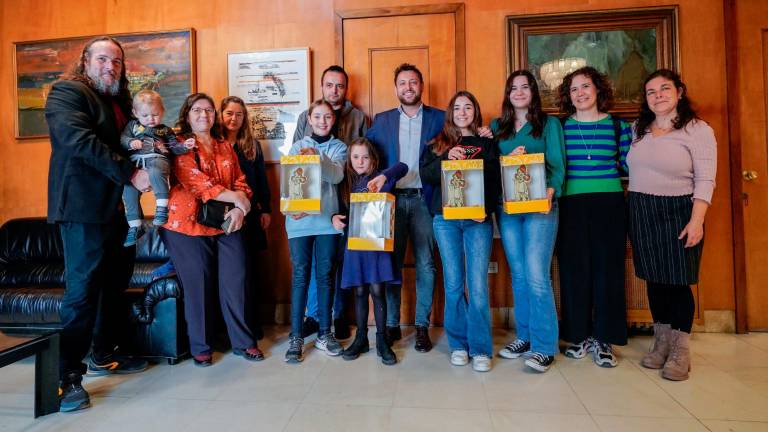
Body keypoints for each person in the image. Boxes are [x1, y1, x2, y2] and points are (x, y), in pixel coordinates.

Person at [45, 36, 149, 413]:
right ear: (86, 61)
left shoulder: (120, 103)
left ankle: (102, 354)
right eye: (103, 59)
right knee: (82, 291)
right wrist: (130, 173)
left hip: (118, 212)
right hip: (82, 210)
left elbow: (133, 142)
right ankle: (66, 378)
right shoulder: (66, 93)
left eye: (117, 61)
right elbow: (79, 142)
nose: (111, 66)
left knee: (113, 285)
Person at [160, 93, 263, 367]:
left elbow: (242, 182)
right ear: (187, 114)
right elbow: (195, 182)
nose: (203, 115)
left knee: (236, 279)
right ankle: (201, 347)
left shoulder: (224, 146)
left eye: (208, 110)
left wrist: (242, 208)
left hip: (226, 222)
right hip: (186, 225)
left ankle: (243, 342)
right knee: (198, 286)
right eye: (197, 110)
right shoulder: (179, 145)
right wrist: (236, 199)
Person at [628, 69, 716, 381]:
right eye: (651, 92)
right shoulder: (638, 128)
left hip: (680, 210)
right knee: (653, 280)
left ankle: (680, 349)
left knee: (678, 282)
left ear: (679, 92)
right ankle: (661, 341)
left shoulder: (698, 130)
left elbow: (706, 179)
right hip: (641, 209)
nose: (658, 96)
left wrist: (697, 221)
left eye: (665, 89)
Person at [366, 63, 445, 352]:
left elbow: (460, 143)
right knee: (392, 263)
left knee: (426, 263)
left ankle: (422, 326)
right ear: (396, 88)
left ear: (421, 86)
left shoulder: (440, 118)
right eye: (402, 83)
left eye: (413, 82)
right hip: (393, 201)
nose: (408, 87)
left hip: (426, 199)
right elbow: (365, 153)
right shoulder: (382, 120)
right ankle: (391, 325)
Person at [556, 66, 631, 368]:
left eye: (585, 86)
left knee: (608, 271)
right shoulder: (560, 128)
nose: (580, 93)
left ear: (598, 89)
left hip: (609, 204)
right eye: (574, 89)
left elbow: (630, 167)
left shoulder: (618, 126)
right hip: (571, 204)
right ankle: (580, 336)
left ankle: (605, 339)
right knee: (575, 271)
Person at [419, 91, 500, 372]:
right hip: (446, 219)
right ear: (450, 113)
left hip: (478, 220)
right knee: (453, 284)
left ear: (475, 112)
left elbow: (496, 181)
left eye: (468, 107)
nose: (463, 112)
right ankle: (458, 345)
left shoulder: (487, 143)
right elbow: (425, 175)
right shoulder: (438, 143)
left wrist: (485, 208)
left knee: (477, 286)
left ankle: (480, 349)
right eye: (457, 107)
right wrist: (446, 159)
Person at [492, 70, 566, 373]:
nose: (519, 92)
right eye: (514, 88)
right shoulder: (498, 127)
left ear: (534, 92)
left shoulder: (549, 124)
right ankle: (524, 337)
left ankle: (544, 346)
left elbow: (558, 165)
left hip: (540, 207)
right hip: (508, 208)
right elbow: (486, 165)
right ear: (508, 93)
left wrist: (549, 194)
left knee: (537, 275)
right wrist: (507, 159)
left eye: (525, 87)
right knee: (519, 275)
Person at [293, 65, 367, 340]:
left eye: (340, 86)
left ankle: (336, 317)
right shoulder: (305, 116)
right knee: (315, 262)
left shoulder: (358, 117)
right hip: (312, 200)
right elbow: (297, 158)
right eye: (329, 85)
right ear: (322, 87)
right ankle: (315, 315)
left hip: (346, 195)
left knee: (337, 260)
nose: (334, 90)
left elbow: (365, 154)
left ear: (346, 90)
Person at [332, 138, 407, 365]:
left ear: (373, 159)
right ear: (349, 160)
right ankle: (361, 337)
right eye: (355, 157)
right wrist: (333, 218)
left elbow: (402, 167)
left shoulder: (381, 179)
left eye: (365, 157)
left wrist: (385, 175)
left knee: (377, 291)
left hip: (376, 246)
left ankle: (382, 339)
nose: (360, 161)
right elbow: (337, 210)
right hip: (355, 245)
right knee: (360, 292)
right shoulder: (345, 181)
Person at [284, 99, 347, 363]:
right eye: (317, 117)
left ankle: (324, 332)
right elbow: (290, 184)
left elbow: (337, 177)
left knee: (325, 276)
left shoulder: (339, 148)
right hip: (299, 222)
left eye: (327, 117)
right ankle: (296, 337)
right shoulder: (297, 147)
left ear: (333, 120)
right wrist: (289, 210)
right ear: (309, 119)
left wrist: (318, 156)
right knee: (300, 276)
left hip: (327, 223)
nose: (322, 121)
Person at [220, 96, 272, 340]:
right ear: (221, 115)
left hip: (250, 214)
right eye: (229, 113)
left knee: (250, 271)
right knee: (230, 273)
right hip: (220, 215)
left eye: (239, 114)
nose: (234, 118)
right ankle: (227, 328)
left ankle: (251, 324)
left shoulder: (252, 145)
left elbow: (261, 181)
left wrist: (266, 210)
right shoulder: (215, 143)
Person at [121, 89, 194, 246]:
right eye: (145, 115)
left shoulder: (165, 130)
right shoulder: (132, 126)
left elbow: (174, 147)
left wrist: (185, 146)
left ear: (162, 111)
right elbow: (122, 139)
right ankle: (135, 226)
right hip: (136, 162)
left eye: (155, 114)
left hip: (157, 159)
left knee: (156, 172)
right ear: (135, 113)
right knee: (128, 188)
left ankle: (161, 207)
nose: (151, 119)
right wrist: (130, 142)